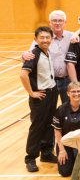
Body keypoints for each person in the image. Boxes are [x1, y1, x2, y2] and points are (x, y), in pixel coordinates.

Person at [20, 26, 59, 172]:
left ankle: (47, 153)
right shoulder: (33, 54)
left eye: (47, 37)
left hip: (52, 92)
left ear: (51, 39)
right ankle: (30, 158)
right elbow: (23, 75)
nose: (45, 40)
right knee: (37, 126)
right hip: (40, 95)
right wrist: (31, 92)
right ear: (35, 39)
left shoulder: (47, 52)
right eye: (41, 37)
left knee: (50, 124)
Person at [21, 10, 73, 104]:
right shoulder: (43, 38)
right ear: (50, 22)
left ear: (65, 23)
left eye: (60, 20)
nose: (57, 23)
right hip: (49, 83)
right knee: (49, 109)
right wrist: (24, 55)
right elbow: (30, 54)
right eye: (54, 20)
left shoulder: (72, 36)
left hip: (67, 80)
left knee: (68, 107)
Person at [52, 81, 80, 177]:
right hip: (66, 142)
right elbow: (57, 131)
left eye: (79, 91)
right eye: (73, 91)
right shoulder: (61, 109)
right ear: (68, 93)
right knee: (65, 172)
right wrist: (62, 150)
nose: (76, 94)